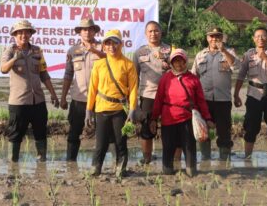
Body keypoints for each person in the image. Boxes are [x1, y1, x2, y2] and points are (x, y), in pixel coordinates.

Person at [0, 19, 60, 163]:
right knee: (15, 134)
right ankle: (13, 165)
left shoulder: (37, 51)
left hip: (37, 100)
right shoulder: (9, 50)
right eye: (20, 33)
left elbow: (44, 74)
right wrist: (14, 59)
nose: (23, 35)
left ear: (30, 34)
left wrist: (53, 94)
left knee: (40, 132)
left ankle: (42, 162)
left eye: (26, 32)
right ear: (14, 35)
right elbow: (3, 69)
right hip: (19, 102)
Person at [150, 49, 213, 176]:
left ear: (186, 61)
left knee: (189, 146)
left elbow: (201, 101)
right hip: (169, 118)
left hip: (188, 119)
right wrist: (154, 118)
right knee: (168, 147)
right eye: (175, 61)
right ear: (171, 63)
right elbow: (158, 99)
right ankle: (167, 170)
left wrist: (207, 118)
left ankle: (191, 170)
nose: (179, 64)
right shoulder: (165, 78)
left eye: (181, 60)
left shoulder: (193, 79)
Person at [85, 29, 138, 178]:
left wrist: (133, 109)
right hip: (101, 109)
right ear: (103, 46)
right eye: (108, 43)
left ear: (121, 44)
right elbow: (92, 89)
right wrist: (88, 109)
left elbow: (134, 88)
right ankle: (96, 168)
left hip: (120, 110)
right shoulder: (99, 64)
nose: (111, 46)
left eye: (115, 43)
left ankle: (120, 168)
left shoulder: (128, 64)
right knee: (100, 143)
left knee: (120, 142)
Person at [234, 27, 267, 159]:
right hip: (253, 95)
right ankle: (247, 158)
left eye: (263, 36)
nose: (260, 39)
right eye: (257, 36)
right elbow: (240, 76)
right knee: (250, 128)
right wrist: (236, 94)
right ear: (253, 39)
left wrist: (266, 58)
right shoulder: (248, 55)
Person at [60, 18, 105, 161]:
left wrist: (94, 51)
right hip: (79, 99)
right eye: (84, 29)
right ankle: (70, 162)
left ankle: (99, 164)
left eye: (90, 29)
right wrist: (63, 98)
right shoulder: (72, 50)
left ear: (94, 31)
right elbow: (68, 75)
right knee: (74, 133)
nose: (87, 32)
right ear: (79, 31)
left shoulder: (103, 48)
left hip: (100, 99)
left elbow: (111, 63)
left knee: (103, 133)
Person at [191, 26, 238, 161]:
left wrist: (223, 51)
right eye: (212, 36)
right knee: (203, 131)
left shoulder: (230, 52)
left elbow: (237, 67)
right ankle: (206, 159)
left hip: (223, 100)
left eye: (217, 36)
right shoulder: (200, 55)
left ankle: (224, 160)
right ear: (207, 38)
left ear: (222, 38)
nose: (214, 39)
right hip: (204, 100)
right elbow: (193, 78)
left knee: (224, 132)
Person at [133, 21, 172, 164]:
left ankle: (170, 159)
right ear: (146, 34)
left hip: (168, 95)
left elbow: (179, 71)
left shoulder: (170, 50)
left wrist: (167, 63)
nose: (153, 33)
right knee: (146, 129)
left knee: (169, 129)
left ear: (161, 32)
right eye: (150, 31)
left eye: (156, 31)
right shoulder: (139, 52)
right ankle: (147, 158)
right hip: (147, 95)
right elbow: (134, 77)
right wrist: (134, 100)